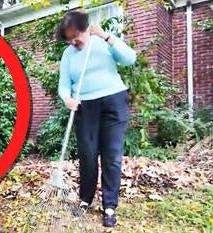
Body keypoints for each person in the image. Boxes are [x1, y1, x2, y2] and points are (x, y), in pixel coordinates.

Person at [55, 10, 137, 227]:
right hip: (85, 106)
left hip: (113, 102)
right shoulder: (68, 54)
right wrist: (66, 98)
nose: (73, 40)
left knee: (111, 156)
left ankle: (110, 205)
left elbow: (130, 59)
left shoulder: (103, 42)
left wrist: (106, 36)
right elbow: (64, 84)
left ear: (85, 28)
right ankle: (85, 199)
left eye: (76, 35)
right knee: (88, 155)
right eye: (69, 37)